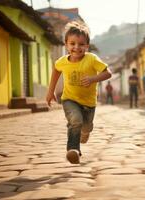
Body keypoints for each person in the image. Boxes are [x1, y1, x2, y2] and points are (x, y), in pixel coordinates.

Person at [46, 21, 112, 164]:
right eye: (72, 43)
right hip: (69, 99)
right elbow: (56, 70)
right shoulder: (62, 61)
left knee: (86, 126)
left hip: (88, 102)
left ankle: (85, 132)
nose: (77, 47)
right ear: (66, 45)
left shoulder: (92, 59)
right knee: (75, 120)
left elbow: (108, 73)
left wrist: (93, 78)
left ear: (87, 46)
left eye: (81, 44)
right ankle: (73, 150)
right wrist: (50, 91)